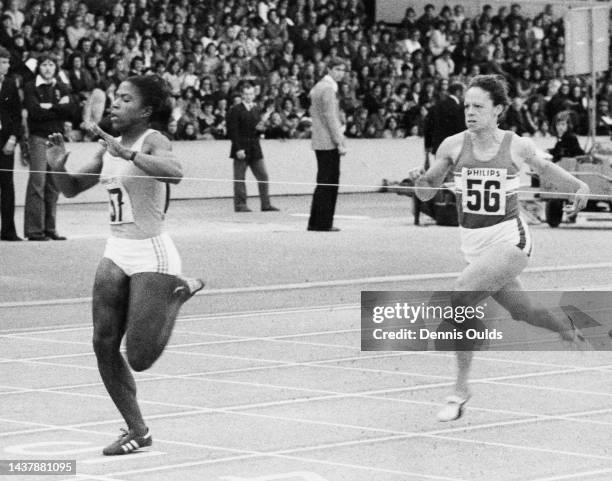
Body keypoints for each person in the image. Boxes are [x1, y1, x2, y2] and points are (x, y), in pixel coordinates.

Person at [414, 75, 590, 422]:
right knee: (523, 311)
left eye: (479, 106)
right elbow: (426, 192)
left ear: (498, 110)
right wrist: (423, 182)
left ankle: (460, 388)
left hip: (511, 241)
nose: (471, 112)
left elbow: (545, 168)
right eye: (467, 106)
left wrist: (578, 185)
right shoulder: (451, 145)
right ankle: (567, 327)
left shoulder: (515, 145)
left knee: (461, 294)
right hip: (476, 249)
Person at [45, 74, 204, 455]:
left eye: (125, 99)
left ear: (146, 110)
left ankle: (178, 292)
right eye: (115, 97)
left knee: (140, 358)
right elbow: (70, 188)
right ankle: (137, 429)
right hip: (117, 249)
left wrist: (128, 154)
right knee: (102, 343)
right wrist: (56, 165)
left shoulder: (153, 140)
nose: (114, 104)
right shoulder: (108, 147)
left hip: (152, 252)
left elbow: (175, 173)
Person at [23, 54, 78, 241]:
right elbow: (34, 112)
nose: (47, 68)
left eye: (51, 65)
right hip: (38, 137)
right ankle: (34, 231)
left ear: (56, 67)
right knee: (37, 183)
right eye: (44, 65)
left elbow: (70, 109)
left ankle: (50, 229)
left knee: (54, 185)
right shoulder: (31, 86)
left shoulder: (62, 87)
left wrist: (49, 107)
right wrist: (56, 108)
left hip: (57, 139)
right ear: (39, 67)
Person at [415, 82, 465, 226]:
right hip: (455, 149)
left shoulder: (436, 106)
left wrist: (428, 145)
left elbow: (428, 125)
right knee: (453, 180)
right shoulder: (458, 108)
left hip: (439, 148)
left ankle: (439, 209)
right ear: (458, 92)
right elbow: (462, 130)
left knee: (440, 178)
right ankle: (451, 211)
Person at [307, 59, 347, 232]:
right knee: (330, 183)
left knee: (322, 182)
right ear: (329, 69)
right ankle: (324, 222)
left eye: (343, 70)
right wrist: (340, 142)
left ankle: (315, 222)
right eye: (337, 69)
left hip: (319, 139)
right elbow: (331, 118)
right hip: (328, 141)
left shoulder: (318, 87)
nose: (341, 73)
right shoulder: (329, 89)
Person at [226, 82, 279, 212]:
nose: (249, 96)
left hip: (255, 147)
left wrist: (263, 127)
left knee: (263, 176)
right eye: (246, 94)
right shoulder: (235, 110)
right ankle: (240, 204)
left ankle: (265, 204)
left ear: (254, 94)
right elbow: (233, 131)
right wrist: (238, 148)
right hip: (241, 147)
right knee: (239, 178)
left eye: (251, 94)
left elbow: (257, 130)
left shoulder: (256, 109)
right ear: (242, 95)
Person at [0, 46, 23, 241]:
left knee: (7, 185)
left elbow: (17, 115)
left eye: (7, 62)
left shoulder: (10, 84)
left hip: (5, 140)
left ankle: (8, 230)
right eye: (2, 61)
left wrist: (14, 138)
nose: (6, 66)